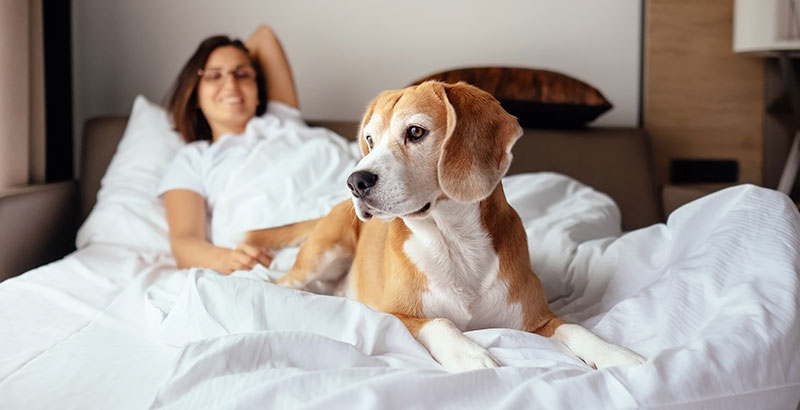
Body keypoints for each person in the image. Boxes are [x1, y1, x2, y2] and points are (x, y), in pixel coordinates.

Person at [159, 25, 298, 274]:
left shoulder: (283, 121)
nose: (231, 83)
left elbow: (264, 36)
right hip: (274, 253)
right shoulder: (194, 158)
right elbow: (184, 241)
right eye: (214, 76)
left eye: (242, 75)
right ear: (196, 95)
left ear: (258, 92)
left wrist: (229, 56)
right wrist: (226, 259)